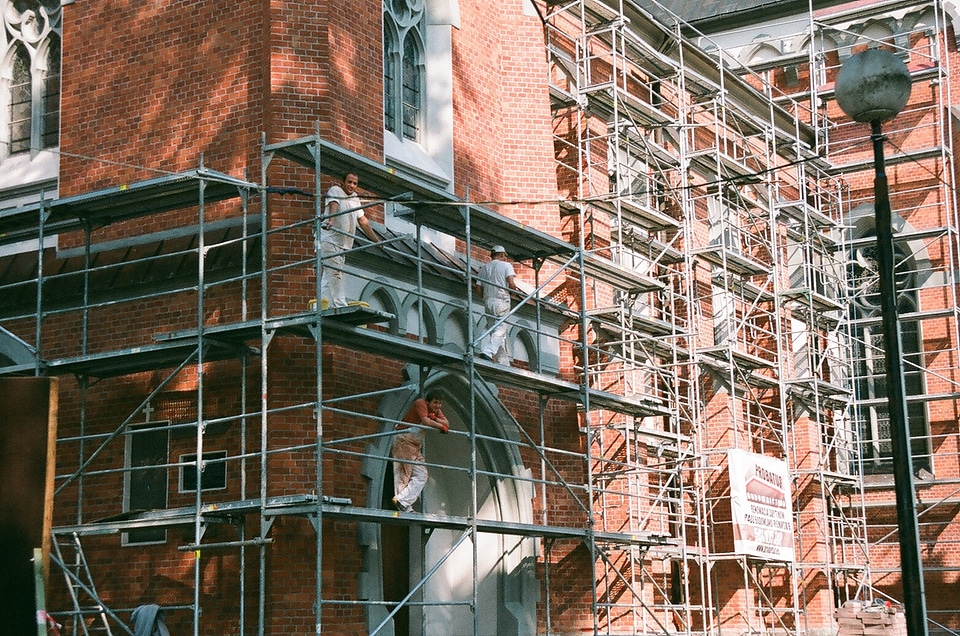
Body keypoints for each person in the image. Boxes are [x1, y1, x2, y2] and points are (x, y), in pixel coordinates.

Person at [318, 172, 379, 308]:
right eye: (349, 182)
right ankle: (340, 304)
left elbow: (362, 221)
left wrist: (376, 241)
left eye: (355, 183)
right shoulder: (336, 190)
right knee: (335, 273)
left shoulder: (354, 198)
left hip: (343, 245)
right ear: (343, 181)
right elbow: (334, 205)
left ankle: (323, 304)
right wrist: (331, 220)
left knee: (329, 276)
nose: (352, 185)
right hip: (330, 240)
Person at [391, 391, 449, 512]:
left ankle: (402, 500)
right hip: (404, 439)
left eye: (440, 403)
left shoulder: (435, 410)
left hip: (415, 445)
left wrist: (436, 418)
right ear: (429, 401)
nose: (438, 406)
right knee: (404, 473)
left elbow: (447, 423)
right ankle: (403, 507)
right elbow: (426, 421)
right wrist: (440, 426)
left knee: (422, 475)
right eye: (435, 402)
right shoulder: (420, 403)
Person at [474, 245, 520, 364]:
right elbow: (511, 282)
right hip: (502, 301)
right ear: (501, 255)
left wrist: (487, 297)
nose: (505, 258)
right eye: (504, 256)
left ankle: (503, 361)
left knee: (496, 332)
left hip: (488, 302)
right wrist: (514, 292)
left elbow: (478, 289)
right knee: (499, 330)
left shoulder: (484, 268)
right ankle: (488, 352)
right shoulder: (506, 266)